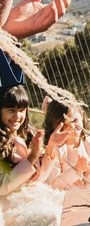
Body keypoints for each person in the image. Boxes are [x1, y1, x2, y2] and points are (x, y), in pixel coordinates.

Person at [0, 85, 68, 225]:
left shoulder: (29, 136)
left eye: (22, 110)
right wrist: (31, 158)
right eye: (11, 110)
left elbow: (39, 178)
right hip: (7, 207)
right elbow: (3, 187)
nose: (18, 116)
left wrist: (51, 146)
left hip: (29, 199)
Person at [41, 99, 90, 190]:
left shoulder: (89, 143)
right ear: (56, 127)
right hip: (61, 197)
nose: (73, 126)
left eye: (74, 120)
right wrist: (76, 170)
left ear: (81, 116)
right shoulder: (56, 149)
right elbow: (52, 186)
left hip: (84, 194)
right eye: (66, 125)